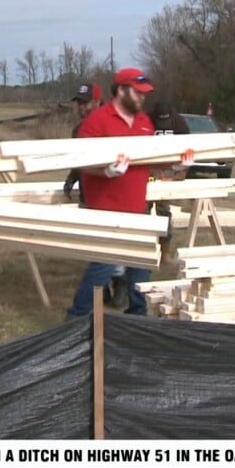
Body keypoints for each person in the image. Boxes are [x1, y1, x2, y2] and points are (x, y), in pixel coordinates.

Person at [67, 67, 162, 318]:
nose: (143, 98)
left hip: (137, 207)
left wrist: (176, 163)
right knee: (102, 267)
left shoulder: (144, 122)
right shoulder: (97, 121)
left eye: (145, 93)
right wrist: (106, 171)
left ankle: (138, 317)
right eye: (138, 92)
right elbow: (81, 161)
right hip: (107, 210)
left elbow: (153, 158)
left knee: (141, 267)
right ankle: (76, 318)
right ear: (121, 91)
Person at [148, 100, 191, 262]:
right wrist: (149, 171)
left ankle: (165, 253)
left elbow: (189, 148)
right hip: (148, 168)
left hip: (169, 170)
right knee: (143, 210)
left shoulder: (179, 122)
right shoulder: (146, 120)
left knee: (164, 211)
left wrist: (183, 170)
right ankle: (145, 250)